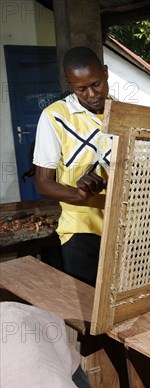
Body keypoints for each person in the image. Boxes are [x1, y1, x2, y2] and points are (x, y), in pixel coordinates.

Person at [33, 46, 111, 286]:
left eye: (96, 84)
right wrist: (78, 194)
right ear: (69, 84)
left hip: (124, 228)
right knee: (87, 311)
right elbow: (43, 183)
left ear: (106, 73)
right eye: (81, 89)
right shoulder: (55, 116)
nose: (91, 94)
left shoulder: (123, 113)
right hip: (81, 227)